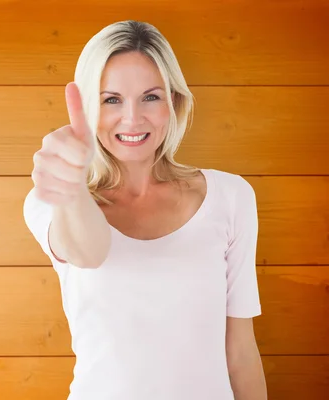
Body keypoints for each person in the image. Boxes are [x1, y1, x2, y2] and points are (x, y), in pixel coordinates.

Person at [23, 20, 267, 400]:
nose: (133, 118)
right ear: (88, 108)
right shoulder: (52, 197)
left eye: (151, 97)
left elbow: (240, 353)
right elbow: (87, 252)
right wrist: (71, 187)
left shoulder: (231, 196)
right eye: (111, 99)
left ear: (174, 102)